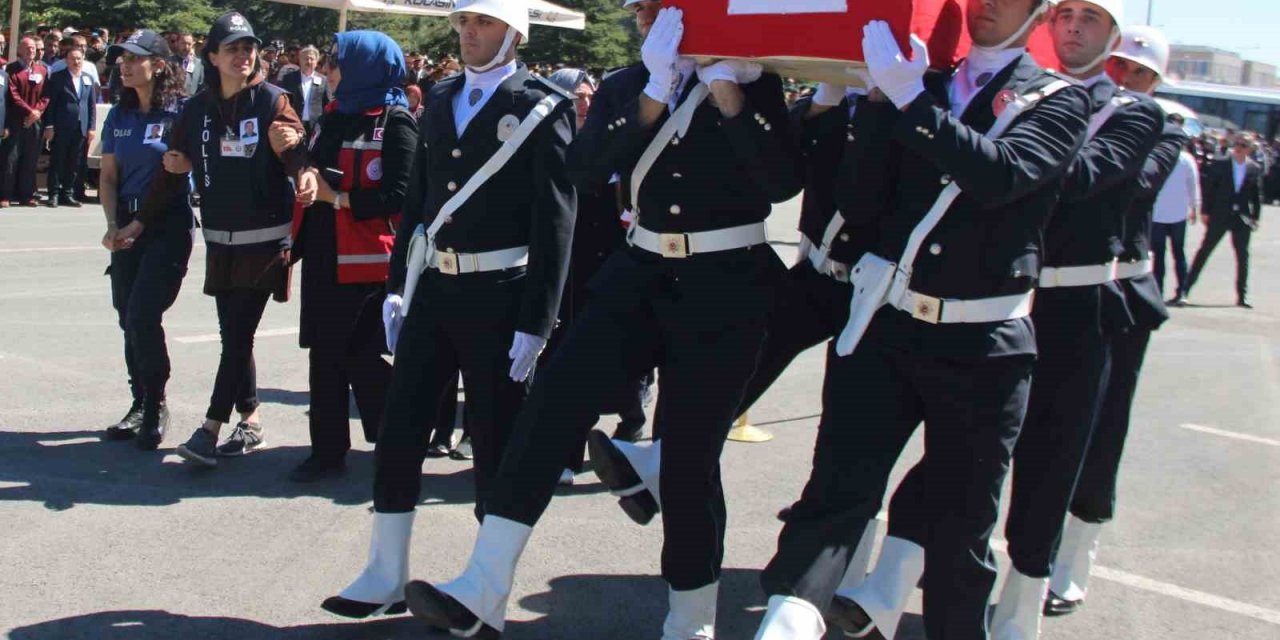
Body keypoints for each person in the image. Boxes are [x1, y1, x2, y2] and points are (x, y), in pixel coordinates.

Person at [404, 7, 800, 639]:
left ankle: (691, 621)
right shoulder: (628, 84)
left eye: (657, 7)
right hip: (639, 270)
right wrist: (651, 91)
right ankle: (483, 586)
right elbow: (586, 169)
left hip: (727, 281)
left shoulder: (755, 83)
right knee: (549, 412)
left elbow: (780, 181)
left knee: (690, 457)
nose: (645, 19)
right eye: (640, 9)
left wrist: (728, 91)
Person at [750, 1, 1091, 637]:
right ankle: (785, 626)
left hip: (984, 342)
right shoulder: (924, 82)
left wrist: (909, 105)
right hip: (888, 324)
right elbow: (860, 201)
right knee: (833, 496)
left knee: (961, 529)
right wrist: (875, 105)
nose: (988, 5)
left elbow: (1001, 177)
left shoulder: (1057, 100)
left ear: (1038, 13)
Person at [320, 0, 576, 620]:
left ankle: (485, 592)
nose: (468, 33)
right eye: (462, 21)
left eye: (483, 22)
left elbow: (557, 222)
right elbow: (421, 204)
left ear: (513, 31)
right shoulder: (439, 97)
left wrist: (538, 321)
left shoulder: (544, 106)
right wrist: (399, 283)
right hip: (435, 287)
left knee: (495, 439)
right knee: (402, 424)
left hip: (502, 293)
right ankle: (385, 572)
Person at [119, 11, 308, 467]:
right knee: (234, 334)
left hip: (266, 242)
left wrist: (300, 163)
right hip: (222, 242)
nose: (243, 55)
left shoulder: (273, 101)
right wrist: (140, 222)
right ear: (212, 57)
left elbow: (298, 149)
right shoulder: (196, 109)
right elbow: (170, 171)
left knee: (238, 334)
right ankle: (252, 419)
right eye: (233, 48)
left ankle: (209, 429)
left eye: (249, 47)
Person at [1048, 25, 1189, 617]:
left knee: (1101, 430)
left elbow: (1135, 184)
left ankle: (1076, 554)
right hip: (1053, 286)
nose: (1123, 78)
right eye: (1118, 66)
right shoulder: (1073, 103)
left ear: (1154, 81)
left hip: (1121, 294)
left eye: (1137, 72)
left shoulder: (1160, 128)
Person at [271, 31, 417, 482]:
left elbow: (402, 195)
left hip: (368, 262)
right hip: (322, 253)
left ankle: (402, 433)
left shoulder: (396, 121)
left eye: (338, 63)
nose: (330, 71)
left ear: (366, 68)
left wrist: (339, 199)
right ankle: (327, 451)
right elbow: (313, 168)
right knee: (324, 357)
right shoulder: (331, 117)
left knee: (360, 357)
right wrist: (296, 159)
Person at [98, 30, 194, 450]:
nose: (125, 65)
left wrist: (139, 224)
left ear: (159, 64)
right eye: (121, 60)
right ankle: (139, 400)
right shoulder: (118, 115)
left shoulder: (180, 112)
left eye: (135, 58)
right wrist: (112, 225)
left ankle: (155, 404)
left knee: (141, 313)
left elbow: (179, 174)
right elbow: (107, 177)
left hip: (167, 223)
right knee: (125, 315)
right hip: (126, 221)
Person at [1185, 134, 1263, 309]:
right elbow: (1209, 188)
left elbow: (1257, 194)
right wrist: (1205, 211)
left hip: (1241, 217)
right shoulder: (1221, 163)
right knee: (1205, 251)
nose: (1238, 147)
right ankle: (1185, 290)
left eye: (1243, 145)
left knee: (1243, 257)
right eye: (1236, 144)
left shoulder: (1253, 168)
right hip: (1220, 214)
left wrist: (1256, 217)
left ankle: (1242, 296)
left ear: (1249, 149)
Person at [42, 45, 100, 207]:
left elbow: (91, 106)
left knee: (74, 162)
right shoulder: (58, 78)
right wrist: (49, 126)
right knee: (57, 160)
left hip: (80, 128)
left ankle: (68, 193)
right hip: (61, 126)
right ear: (66, 61)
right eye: (73, 59)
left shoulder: (87, 78)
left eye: (79, 59)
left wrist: (91, 127)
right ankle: (53, 194)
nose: (76, 62)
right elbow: (51, 104)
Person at [1, 37, 50, 208]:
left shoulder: (42, 70)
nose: (32, 51)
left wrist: (37, 112)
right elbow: (13, 95)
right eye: (28, 48)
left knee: (30, 159)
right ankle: (5, 194)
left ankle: (26, 195)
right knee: (10, 158)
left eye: (34, 48)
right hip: (16, 121)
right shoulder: (11, 70)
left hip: (35, 122)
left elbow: (46, 95)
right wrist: (30, 111)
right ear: (20, 50)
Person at [1152, 137, 1201, 305]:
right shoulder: (1158, 154)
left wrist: (1195, 206)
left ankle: (1181, 291)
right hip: (1158, 213)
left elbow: (1194, 183)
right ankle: (1159, 290)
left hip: (1177, 213)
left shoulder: (1186, 159)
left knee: (1176, 253)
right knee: (1161, 254)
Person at [279, 45, 328, 138]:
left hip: (315, 127)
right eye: (305, 59)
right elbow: (283, 102)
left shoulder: (324, 80)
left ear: (316, 62)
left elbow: (327, 104)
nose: (308, 62)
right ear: (300, 60)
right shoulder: (288, 79)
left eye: (311, 59)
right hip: (294, 126)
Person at [170, 32, 204, 98]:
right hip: (173, 101)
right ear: (177, 43)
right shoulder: (169, 62)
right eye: (183, 43)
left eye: (189, 44)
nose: (186, 47)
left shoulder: (198, 64)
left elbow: (201, 85)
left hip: (192, 103)